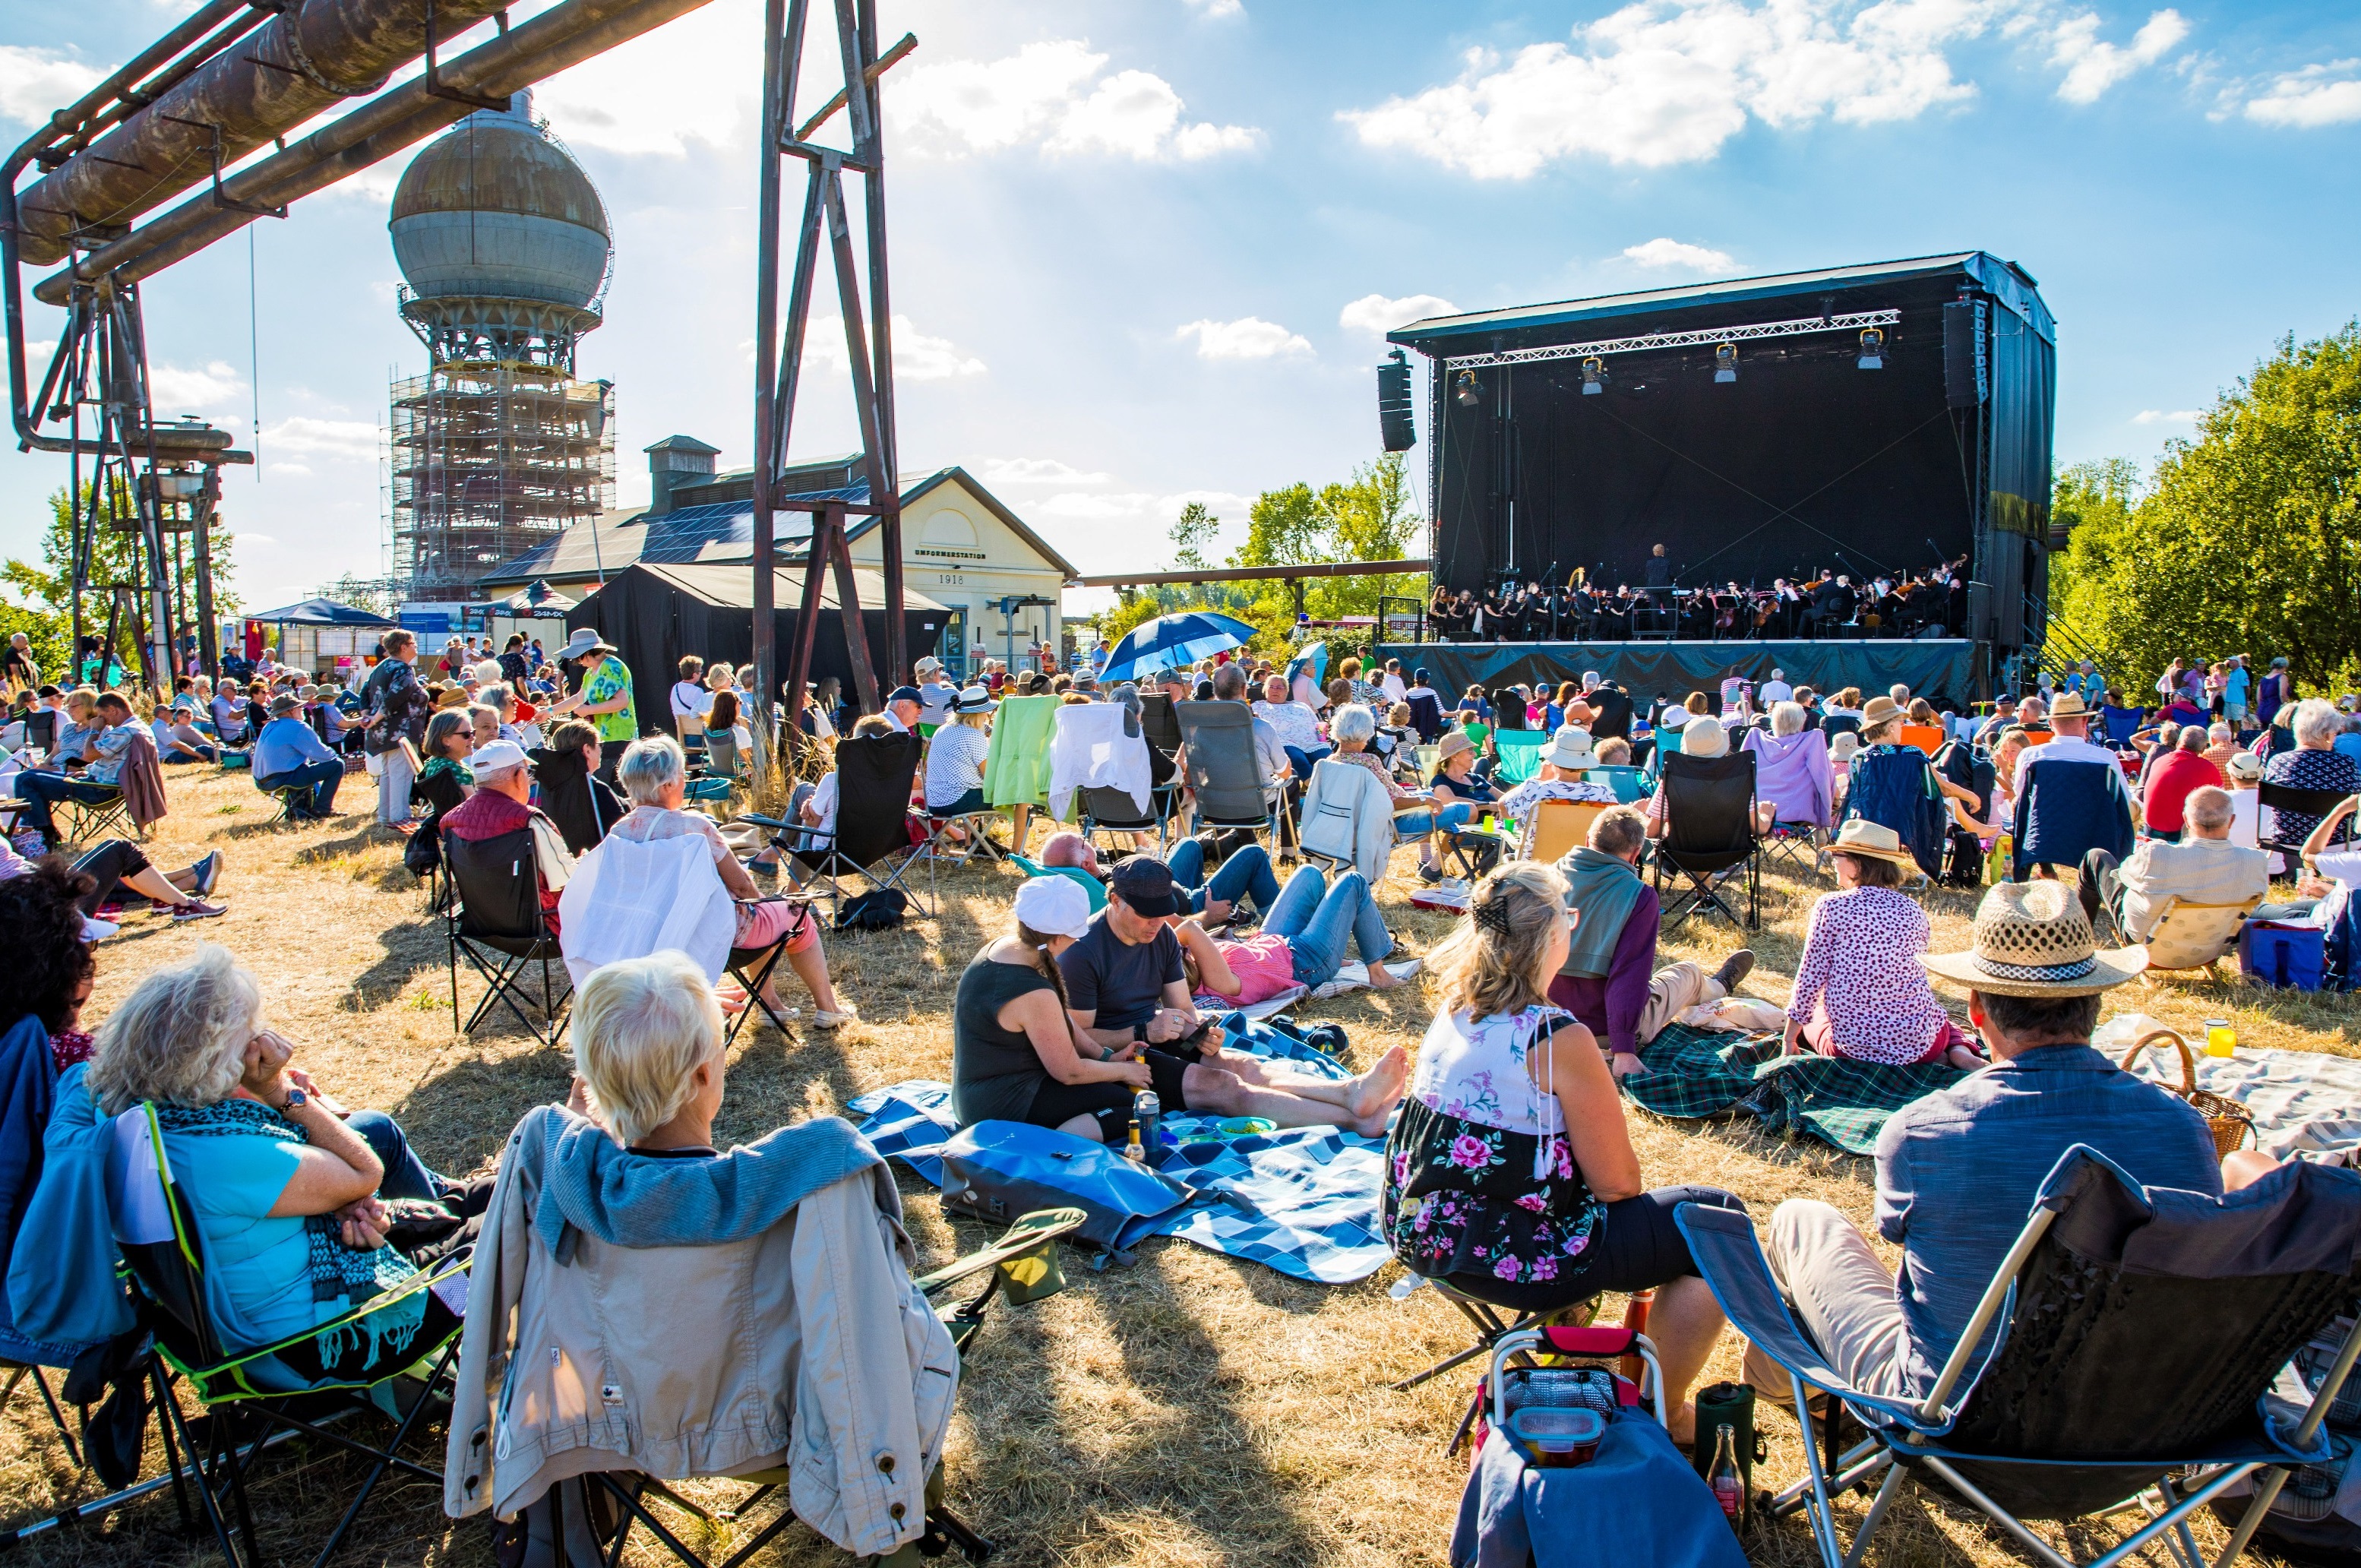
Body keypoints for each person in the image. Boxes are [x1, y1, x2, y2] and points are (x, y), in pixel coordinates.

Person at [1741, 881, 2234, 1404]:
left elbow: (1902, 1241)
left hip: (1952, 1415)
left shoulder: (1923, 1133)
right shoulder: (2182, 1127)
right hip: (2133, 1410)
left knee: (1802, 1221)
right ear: (2094, 1000)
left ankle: (1792, 1399)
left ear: (1976, 1009)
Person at [1386, 861, 1744, 1444]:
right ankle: (1666, 1412)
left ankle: (1587, 1335)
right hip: (1514, 1253)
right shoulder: (1556, 1039)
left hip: (1421, 1230)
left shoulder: (1453, 1009)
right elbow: (1618, 1186)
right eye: (1568, 918)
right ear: (1553, 936)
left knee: (1677, 1222)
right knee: (1716, 1222)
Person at [84, 946, 482, 1356]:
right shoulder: (224, 1156)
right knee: (508, 1227)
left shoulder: (155, 1127)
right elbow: (366, 1173)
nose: (262, 1040)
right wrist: (276, 1089)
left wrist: (336, 1202)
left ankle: (463, 1206)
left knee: (491, 1197)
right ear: (215, 1058)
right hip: (334, 1334)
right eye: (250, 1033)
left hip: (288, 1307)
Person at [1053, 856, 1407, 1136]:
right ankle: (1352, 1120)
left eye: (1163, 913)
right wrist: (1144, 1033)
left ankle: (1350, 1093)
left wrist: (1200, 1033)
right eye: (1147, 914)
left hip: (1154, 1039)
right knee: (1224, 1086)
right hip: (1118, 1061)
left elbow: (1183, 1009)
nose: (1157, 923)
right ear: (1115, 900)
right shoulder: (1082, 953)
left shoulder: (1160, 935)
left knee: (1243, 1064)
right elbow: (1076, 1040)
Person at [611, 736, 852, 1028]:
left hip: (650, 940)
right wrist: (765, 904)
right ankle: (828, 1007)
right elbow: (741, 888)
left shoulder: (619, 832)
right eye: (682, 775)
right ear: (668, 785)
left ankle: (771, 1006)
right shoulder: (694, 827)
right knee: (792, 912)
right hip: (715, 936)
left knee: (760, 913)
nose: (685, 781)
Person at [1545, 805, 1754, 1075]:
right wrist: (1624, 1050)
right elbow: (1627, 977)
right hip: (1596, 1032)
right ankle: (1719, 986)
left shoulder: (1542, 879)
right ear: (1635, 854)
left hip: (1540, 1023)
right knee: (1686, 973)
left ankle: (1713, 987)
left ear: (1587, 840)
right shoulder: (1638, 896)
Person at [953, 877, 1158, 1137]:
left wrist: (1106, 1057)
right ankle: (1048, 1149)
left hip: (975, 1096)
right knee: (1134, 1113)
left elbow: (1060, 1020)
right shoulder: (1033, 992)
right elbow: (1069, 1072)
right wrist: (1125, 1070)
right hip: (1001, 1108)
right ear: (1060, 938)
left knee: (1119, 1097)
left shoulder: (1003, 948)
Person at [1784, 821, 1983, 1070]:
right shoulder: (1913, 910)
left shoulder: (1831, 906)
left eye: (1838, 855)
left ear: (1859, 862)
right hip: (1922, 1045)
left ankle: (1949, 1051)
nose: (1832, 860)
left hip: (1851, 1048)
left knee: (1815, 1016)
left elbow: (1810, 978)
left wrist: (1789, 1037)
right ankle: (1959, 1050)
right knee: (1937, 1016)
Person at [1175, 860, 1403, 1006]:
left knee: (1309, 873)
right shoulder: (1218, 982)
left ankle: (1333, 947)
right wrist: (1162, 944)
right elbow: (1189, 928)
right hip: (1307, 963)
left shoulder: (1195, 962)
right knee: (1353, 882)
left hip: (1273, 942)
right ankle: (1378, 975)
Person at [2080, 784, 2276, 939]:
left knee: (2096, 857)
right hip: (2212, 943)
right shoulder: (2256, 861)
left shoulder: (2158, 854)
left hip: (2147, 940)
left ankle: (2078, 934)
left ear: (2187, 820)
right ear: (2231, 821)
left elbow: (2122, 874)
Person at [439, 740, 574, 934]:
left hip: (481, 924)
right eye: (528, 773)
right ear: (519, 777)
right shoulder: (528, 820)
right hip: (539, 927)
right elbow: (564, 878)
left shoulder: (451, 821)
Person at [1492, 726, 1617, 857]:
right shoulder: (1603, 794)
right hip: (1582, 869)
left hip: (1537, 870)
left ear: (1552, 760)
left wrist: (1539, 778)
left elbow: (1504, 809)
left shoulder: (1536, 789)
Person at [2263, 698, 2360, 850]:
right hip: (2339, 841)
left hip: (2287, 839)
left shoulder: (2277, 762)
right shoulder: (2346, 763)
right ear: (2328, 736)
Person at [545, 629, 637, 782]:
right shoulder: (590, 673)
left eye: (578, 656)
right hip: (603, 739)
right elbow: (577, 699)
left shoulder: (612, 666)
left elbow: (622, 701)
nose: (577, 661)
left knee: (614, 788)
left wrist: (588, 710)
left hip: (617, 738)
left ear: (587, 652)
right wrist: (548, 712)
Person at [361, 631, 430, 827]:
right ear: (403, 647)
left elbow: (364, 693)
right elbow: (395, 697)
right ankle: (399, 817)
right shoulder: (403, 669)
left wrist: (368, 715)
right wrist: (374, 718)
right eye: (413, 643)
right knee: (402, 772)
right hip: (401, 730)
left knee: (388, 773)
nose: (415, 646)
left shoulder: (380, 667)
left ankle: (386, 816)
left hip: (383, 732)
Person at [529, 719, 623, 855]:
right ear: (587, 750)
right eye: (599, 745)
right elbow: (622, 834)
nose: (601, 749)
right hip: (598, 863)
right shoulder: (596, 791)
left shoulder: (547, 787)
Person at [251, 691, 345, 820]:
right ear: (291, 711)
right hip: (281, 779)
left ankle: (298, 812)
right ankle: (322, 809)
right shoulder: (298, 727)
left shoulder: (269, 726)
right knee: (337, 765)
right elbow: (325, 756)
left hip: (262, 782)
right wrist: (336, 755)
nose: (302, 709)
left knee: (303, 768)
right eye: (299, 707)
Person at [924, 686, 995, 817]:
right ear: (981, 712)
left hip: (933, 803)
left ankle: (970, 839)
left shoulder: (943, 729)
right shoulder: (973, 734)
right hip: (959, 801)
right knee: (1014, 796)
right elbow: (990, 776)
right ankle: (1020, 837)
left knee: (971, 784)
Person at [2141, 724, 2224, 837]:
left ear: (2178, 742)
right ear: (2203, 748)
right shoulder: (2207, 768)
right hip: (2179, 835)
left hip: (2151, 829)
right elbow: (2220, 802)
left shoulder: (2159, 761)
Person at [1254, 674, 1326, 779]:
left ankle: (1332, 787)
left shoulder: (1301, 705)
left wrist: (1323, 738)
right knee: (1298, 760)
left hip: (1313, 742)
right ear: (1265, 690)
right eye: (1271, 687)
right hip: (1285, 742)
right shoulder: (1258, 706)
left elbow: (1317, 724)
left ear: (1286, 691)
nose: (1275, 690)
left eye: (1279, 687)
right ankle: (1315, 789)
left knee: (1327, 760)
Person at [668, 655, 710, 739]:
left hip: (682, 736)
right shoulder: (697, 691)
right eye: (700, 671)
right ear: (694, 675)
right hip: (699, 738)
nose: (701, 674)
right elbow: (706, 713)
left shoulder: (674, 688)